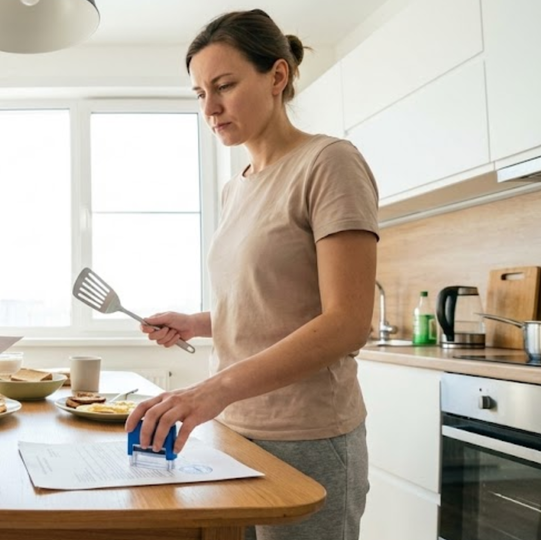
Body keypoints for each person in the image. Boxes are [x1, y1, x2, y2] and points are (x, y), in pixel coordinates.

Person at [126, 9, 378, 540]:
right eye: (199, 93)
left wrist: (212, 390)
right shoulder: (235, 187)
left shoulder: (328, 162)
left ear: (277, 76)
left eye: (224, 86)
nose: (210, 108)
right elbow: (269, 304)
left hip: (309, 436)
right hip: (235, 430)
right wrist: (198, 323)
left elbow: (347, 321)